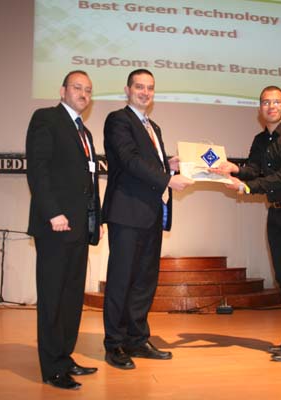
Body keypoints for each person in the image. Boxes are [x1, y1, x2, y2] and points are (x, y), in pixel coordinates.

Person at [212, 86, 281, 362]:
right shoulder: (260, 140)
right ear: (260, 109)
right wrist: (234, 169)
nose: (271, 106)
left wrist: (246, 187)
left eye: (276, 102)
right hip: (277, 212)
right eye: (265, 102)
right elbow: (253, 168)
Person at [101, 69, 194, 369]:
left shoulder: (154, 127)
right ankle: (115, 344)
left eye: (150, 88)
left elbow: (148, 163)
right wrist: (168, 179)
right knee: (121, 279)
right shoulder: (118, 120)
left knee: (144, 281)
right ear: (127, 90)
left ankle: (137, 339)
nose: (145, 92)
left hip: (151, 213)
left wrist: (169, 164)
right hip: (127, 212)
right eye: (139, 87)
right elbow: (129, 160)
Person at [25, 70, 102, 390]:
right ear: (62, 91)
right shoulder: (46, 119)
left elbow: (88, 180)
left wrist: (95, 220)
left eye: (88, 90)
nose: (83, 94)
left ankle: (65, 356)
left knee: (71, 298)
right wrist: (53, 212)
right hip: (56, 226)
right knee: (53, 298)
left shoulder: (85, 132)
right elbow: (38, 169)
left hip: (79, 227)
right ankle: (52, 368)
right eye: (77, 88)